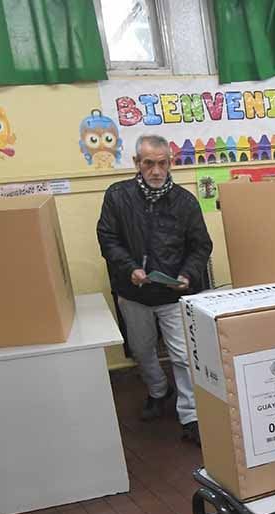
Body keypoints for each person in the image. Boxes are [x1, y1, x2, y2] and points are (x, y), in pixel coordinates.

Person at [97, 134, 212, 444]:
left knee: (183, 355)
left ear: (170, 163)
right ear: (137, 163)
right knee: (142, 350)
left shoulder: (185, 202)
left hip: (174, 293)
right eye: (149, 163)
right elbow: (107, 238)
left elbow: (201, 246)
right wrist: (129, 268)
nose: (157, 170)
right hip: (133, 292)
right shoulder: (117, 196)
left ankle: (191, 416)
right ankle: (159, 392)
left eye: (162, 163)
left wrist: (188, 274)